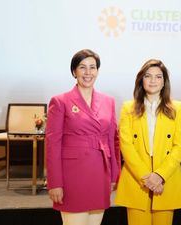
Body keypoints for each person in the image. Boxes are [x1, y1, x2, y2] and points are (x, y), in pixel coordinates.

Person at [46, 49, 121, 225]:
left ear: (97, 71)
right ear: (74, 72)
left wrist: (113, 175)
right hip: (72, 176)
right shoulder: (60, 101)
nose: (88, 73)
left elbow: (113, 140)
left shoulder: (108, 101)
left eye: (92, 67)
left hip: (100, 173)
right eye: (82, 67)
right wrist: (54, 182)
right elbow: (52, 144)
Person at [115, 59, 181, 225]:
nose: (153, 80)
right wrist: (147, 178)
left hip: (166, 180)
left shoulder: (177, 108)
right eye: (148, 76)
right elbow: (126, 146)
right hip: (137, 180)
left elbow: (180, 146)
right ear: (141, 80)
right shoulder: (129, 108)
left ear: (164, 82)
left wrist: (159, 176)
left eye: (158, 77)